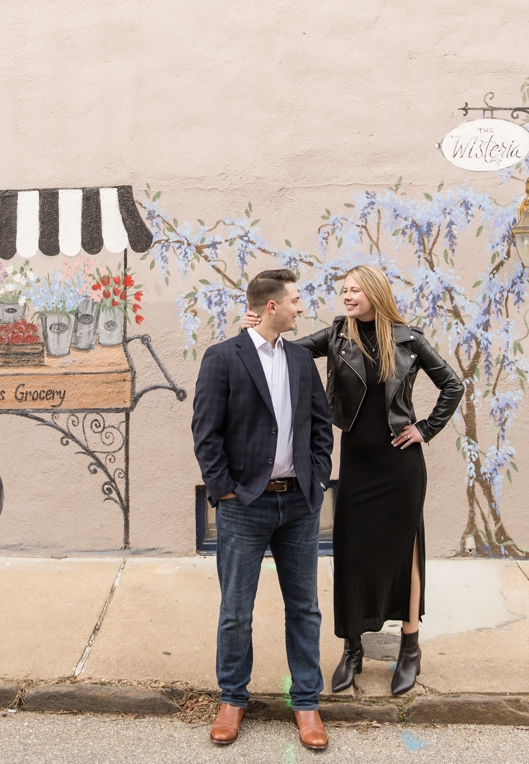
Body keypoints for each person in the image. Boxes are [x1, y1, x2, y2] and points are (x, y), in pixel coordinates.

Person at [244, 264, 463, 696]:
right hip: (357, 464)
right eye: (344, 290)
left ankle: (410, 645)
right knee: (351, 553)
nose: (346, 296)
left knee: (407, 552)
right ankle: (353, 647)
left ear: (375, 293)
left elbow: (452, 385)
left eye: (355, 290)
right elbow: (284, 349)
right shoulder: (336, 335)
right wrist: (257, 326)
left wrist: (424, 428)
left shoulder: (409, 338)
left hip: (400, 465)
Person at [191, 268, 333, 751]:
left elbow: (319, 425)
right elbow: (205, 432)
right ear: (271, 306)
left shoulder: (299, 359)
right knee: (236, 609)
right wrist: (224, 489)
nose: (300, 307)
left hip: (299, 503)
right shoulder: (222, 358)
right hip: (244, 505)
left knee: (305, 609)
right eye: (294, 300)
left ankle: (307, 702)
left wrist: (316, 476)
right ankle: (233, 698)